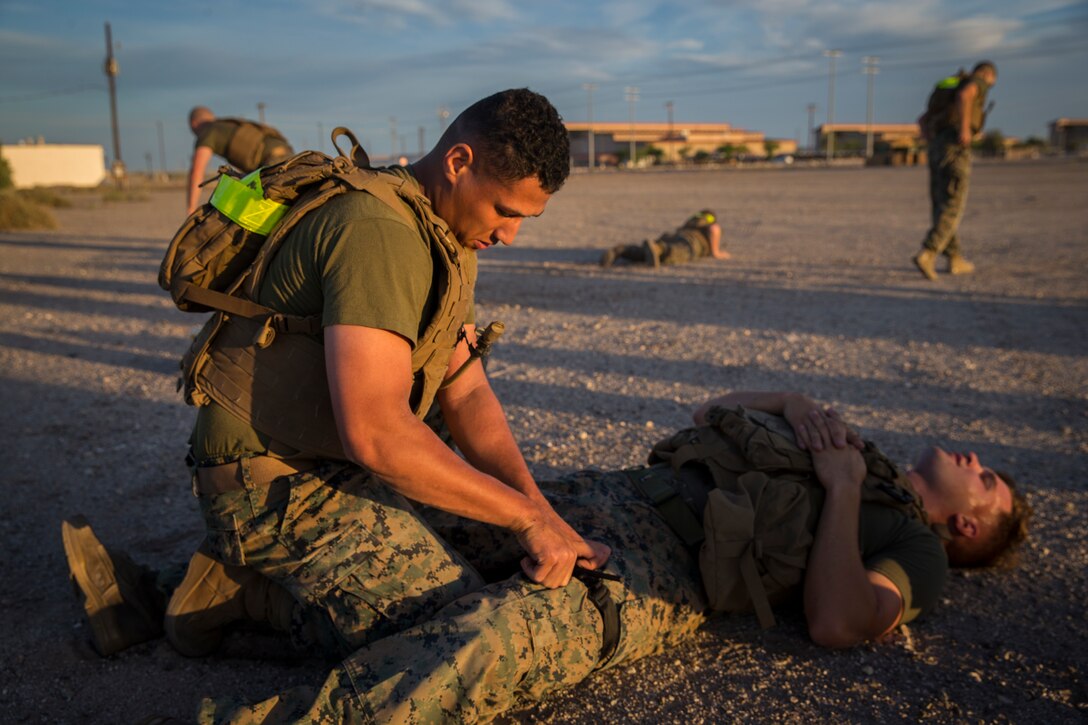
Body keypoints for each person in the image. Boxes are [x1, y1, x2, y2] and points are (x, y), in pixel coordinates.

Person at [63, 89, 608, 662]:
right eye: (506, 212)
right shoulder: (377, 231)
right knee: (452, 631)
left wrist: (538, 514)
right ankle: (245, 598)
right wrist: (524, 517)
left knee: (503, 552)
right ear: (458, 163)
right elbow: (377, 434)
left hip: (332, 454)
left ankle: (174, 587)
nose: (508, 236)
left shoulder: (446, 230)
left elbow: (466, 388)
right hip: (274, 482)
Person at [94, 389, 1025, 723]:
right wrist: (789, 397)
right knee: (420, 514)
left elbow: (837, 620)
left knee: (493, 640)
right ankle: (187, 597)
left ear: (966, 530)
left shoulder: (913, 549)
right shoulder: (849, 445)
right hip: (609, 494)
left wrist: (847, 488)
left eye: (989, 485)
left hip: (667, 576)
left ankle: (246, 653)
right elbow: (710, 415)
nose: (978, 464)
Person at [912, 62, 997, 280]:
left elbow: (922, 119)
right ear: (988, 75)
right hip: (954, 146)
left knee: (941, 202)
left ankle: (955, 258)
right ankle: (929, 252)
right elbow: (965, 96)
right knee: (953, 203)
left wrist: (930, 137)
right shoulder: (975, 82)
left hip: (937, 147)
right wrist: (965, 129)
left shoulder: (947, 88)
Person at [186, 107, 295, 215]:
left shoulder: (208, 131)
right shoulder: (226, 126)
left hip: (272, 160)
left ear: (193, 123)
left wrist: (191, 208)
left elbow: (197, 171)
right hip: (288, 154)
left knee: (257, 214)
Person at [600, 209, 729, 268]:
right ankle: (658, 248)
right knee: (674, 253)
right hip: (691, 242)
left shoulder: (690, 222)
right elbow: (714, 229)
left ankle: (623, 250)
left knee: (644, 253)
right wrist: (715, 252)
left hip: (671, 236)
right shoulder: (708, 224)